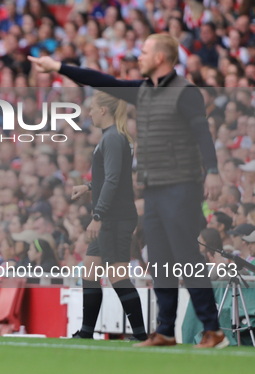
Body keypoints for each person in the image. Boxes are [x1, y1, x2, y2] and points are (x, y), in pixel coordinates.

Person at [29, 33, 228, 348]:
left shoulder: (185, 92)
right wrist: (58, 66)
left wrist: (214, 171)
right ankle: (164, 330)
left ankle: (213, 329)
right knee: (160, 258)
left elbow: (203, 133)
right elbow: (102, 80)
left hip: (181, 185)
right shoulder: (144, 92)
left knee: (185, 255)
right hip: (153, 188)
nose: (140, 56)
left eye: (145, 51)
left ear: (161, 57)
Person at [69, 91, 147, 341]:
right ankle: (86, 332)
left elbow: (114, 180)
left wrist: (98, 214)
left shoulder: (113, 138)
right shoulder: (114, 137)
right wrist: (89, 187)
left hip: (114, 218)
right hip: (112, 216)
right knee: (89, 272)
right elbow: (116, 178)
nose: (89, 112)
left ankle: (140, 334)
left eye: (92, 107)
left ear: (103, 110)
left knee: (118, 274)